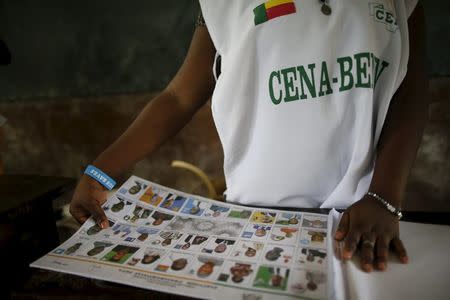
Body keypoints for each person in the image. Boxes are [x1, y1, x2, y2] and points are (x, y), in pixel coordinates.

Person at [70, 0, 427, 273]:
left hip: (360, 221)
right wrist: (99, 171)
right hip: (254, 222)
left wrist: (385, 198)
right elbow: (179, 97)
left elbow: (409, 93)